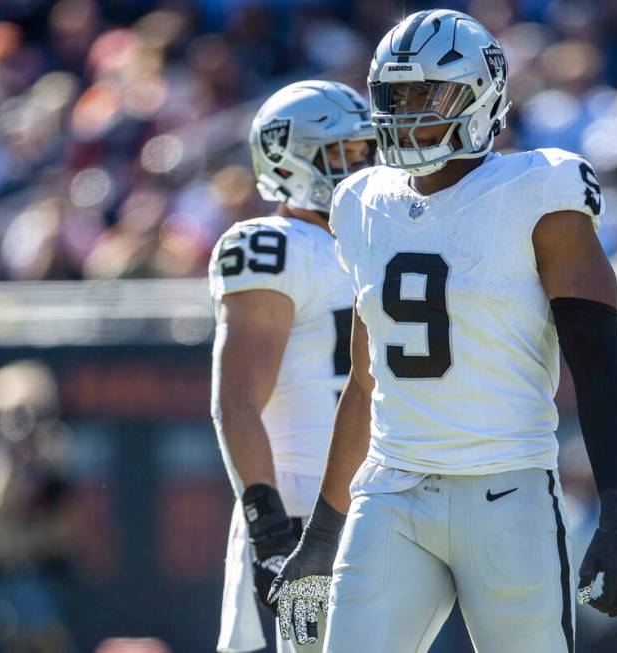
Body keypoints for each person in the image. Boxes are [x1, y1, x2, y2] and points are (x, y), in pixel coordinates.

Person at [269, 10, 617, 652]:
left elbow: (598, 365)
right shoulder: (362, 202)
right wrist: (324, 532)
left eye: (427, 95)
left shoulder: (539, 188)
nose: (409, 112)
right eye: (396, 97)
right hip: (391, 490)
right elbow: (365, 383)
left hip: (507, 491)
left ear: (484, 96)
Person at [208, 80, 375, 653]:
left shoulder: (382, 238)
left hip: (384, 505)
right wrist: (267, 523)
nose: (360, 167)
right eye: (343, 154)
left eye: (365, 151)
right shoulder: (273, 245)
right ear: (289, 158)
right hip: (300, 512)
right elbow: (237, 401)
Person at [0, 360, 77, 653]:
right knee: (12, 641)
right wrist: (11, 467)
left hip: (41, 570)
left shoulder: (52, 460)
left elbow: (60, 517)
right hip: (2, 573)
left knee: (49, 639)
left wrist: (33, 464)